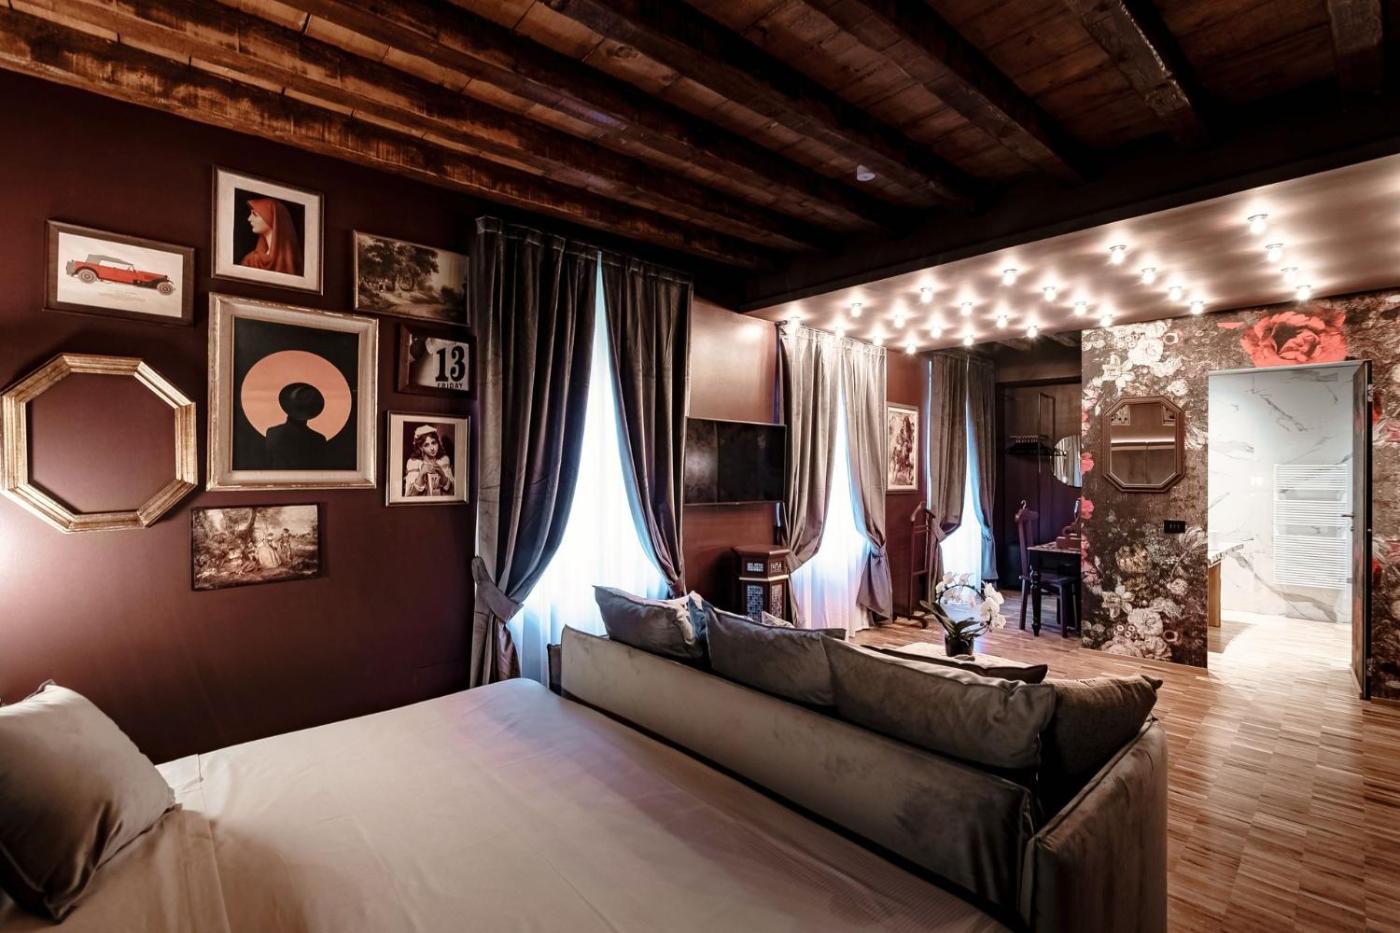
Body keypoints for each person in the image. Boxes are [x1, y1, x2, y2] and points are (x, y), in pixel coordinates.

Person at [240, 197, 303, 275]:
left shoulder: (291, 262)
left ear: (272, 218)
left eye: (255, 214)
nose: (249, 219)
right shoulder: (250, 260)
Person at [404, 425, 453, 497]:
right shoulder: (414, 463)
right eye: (426, 445)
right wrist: (421, 474)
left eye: (434, 443)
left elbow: (452, 491)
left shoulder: (444, 460)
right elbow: (410, 496)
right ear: (420, 448)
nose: (432, 448)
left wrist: (442, 474)